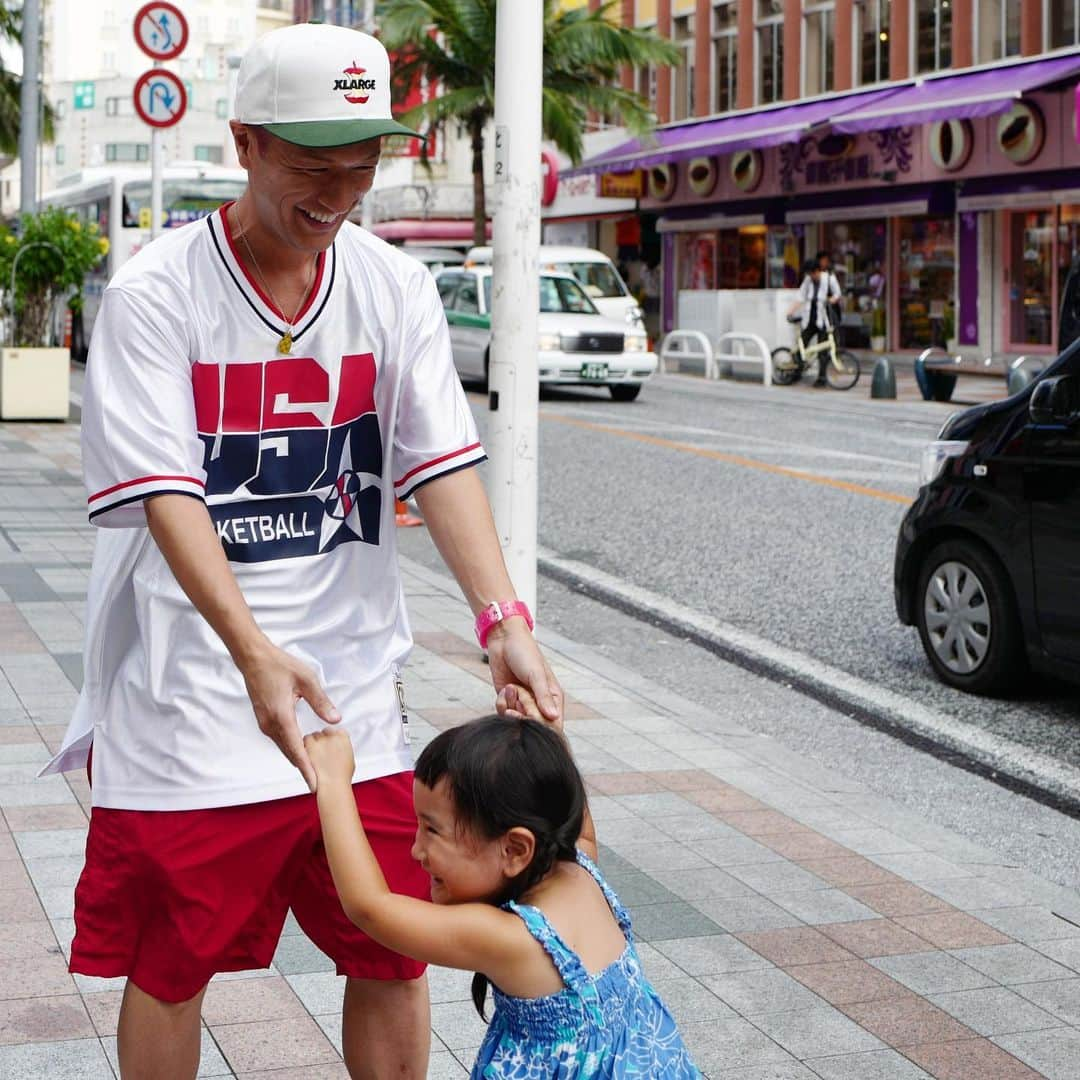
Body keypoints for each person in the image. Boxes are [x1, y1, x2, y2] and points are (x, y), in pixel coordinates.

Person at [42, 22, 562, 1080]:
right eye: (313, 166)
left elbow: (440, 464)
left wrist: (502, 621)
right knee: (170, 962)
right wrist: (251, 654)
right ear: (245, 144)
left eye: (362, 162)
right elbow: (169, 497)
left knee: (392, 954)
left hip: (353, 704)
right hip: (190, 699)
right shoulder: (156, 295)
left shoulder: (392, 287)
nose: (340, 191)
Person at [303, 706, 702, 1079]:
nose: (416, 850)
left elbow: (370, 908)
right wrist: (548, 739)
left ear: (514, 849)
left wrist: (335, 785)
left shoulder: (512, 938)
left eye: (432, 830)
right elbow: (576, 823)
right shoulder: (583, 870)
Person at [789, 260, 835, 387]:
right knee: (802, 346)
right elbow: (800, 297)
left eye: (812, 273)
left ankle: (821, 378)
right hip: (809, 319)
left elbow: (837, 295)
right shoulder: (808, 281)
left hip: (823, 320)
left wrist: (829, 300)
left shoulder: (829, 279)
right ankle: (796, 373)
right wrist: (790, 312)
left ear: (817, 271)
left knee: (823, 352)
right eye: (809, 274)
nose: (811, 276)